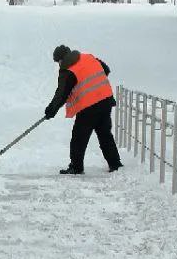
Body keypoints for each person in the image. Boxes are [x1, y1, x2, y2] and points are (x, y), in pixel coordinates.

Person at [44, 44, 122, 176]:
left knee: (78, 138)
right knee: (105, 135)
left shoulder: (67, 70)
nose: (59, 64)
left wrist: (51, 110)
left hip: (89, 107)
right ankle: (115, 164)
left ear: (61, 59)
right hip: (105, 100)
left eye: (58, 61)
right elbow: (106, 70)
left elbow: (61, 94)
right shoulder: (88, 57)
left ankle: (76, 167)